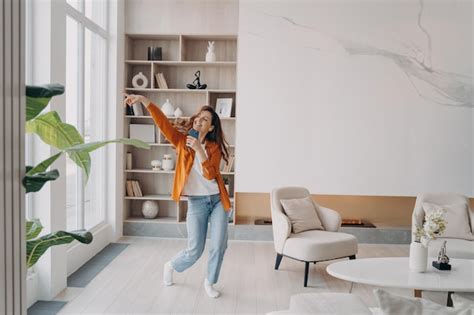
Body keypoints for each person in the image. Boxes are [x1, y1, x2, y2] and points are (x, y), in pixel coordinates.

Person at [124, 93, 232, 298]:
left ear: (211, 128)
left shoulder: (214, 147)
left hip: (218, 200)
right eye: (198, 117)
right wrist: (144, 101)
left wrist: (200, 149)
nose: (200, 120)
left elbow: (210, 174)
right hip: (197, 203)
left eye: (205, 119)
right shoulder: (181, 142)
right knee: (195, 250)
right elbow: (162, 123)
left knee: (219, 245)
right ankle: (171, 265)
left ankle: (210, 281)